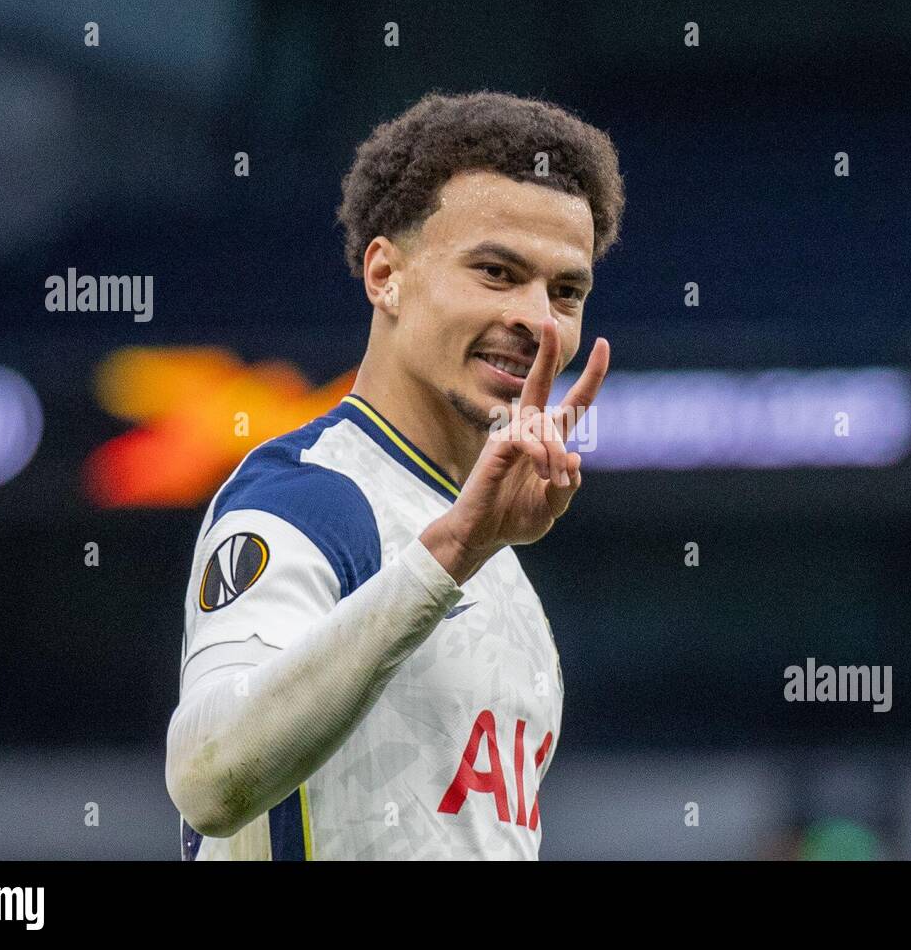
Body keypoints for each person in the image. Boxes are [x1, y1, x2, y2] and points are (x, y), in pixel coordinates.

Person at [164, 89, 625, 859]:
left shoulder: (498, 562)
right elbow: (207, 778)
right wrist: (448, 559)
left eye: (565, 291)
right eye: (496, 271)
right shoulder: (308, 498)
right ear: (386, 275)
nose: (540, 320)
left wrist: (465, 553)